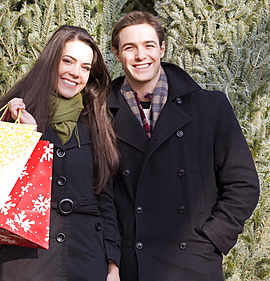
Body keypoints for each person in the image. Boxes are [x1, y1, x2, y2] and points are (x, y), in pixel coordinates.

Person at [108, 11, 260, 281]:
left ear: (162, 49)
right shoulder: (102, 114)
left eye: (149, 45)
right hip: (133, 266)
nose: (140, 55)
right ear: (117, 54)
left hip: (193, 264)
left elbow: (243, 184)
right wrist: (112, 261)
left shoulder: (209, 107)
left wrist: (212, 239)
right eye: (130, 47)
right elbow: (100, 194)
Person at [0, 25, 120, 281]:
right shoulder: (16, 113)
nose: (75, 73)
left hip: (88, 258)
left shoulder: (96, 120)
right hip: (28, 259)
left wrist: (112, 264)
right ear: (51, 61)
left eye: (85, 67)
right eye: (68, 61)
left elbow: (105, 198)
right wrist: (25, 135)